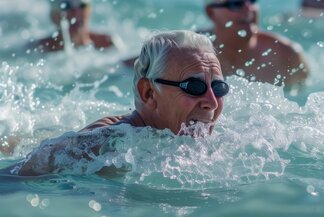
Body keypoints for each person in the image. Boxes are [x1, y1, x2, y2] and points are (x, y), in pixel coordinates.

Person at [15, 30, 229, 175]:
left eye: (218, 88)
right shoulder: (103, 146)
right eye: (194, 87)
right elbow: (19, 175)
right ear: (148, 93)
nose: (211, 102)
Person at [203, 0, 309, 91]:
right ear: (211, 13)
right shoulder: (191, 53)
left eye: (252, 0)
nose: (249, 8)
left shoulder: (286, 55)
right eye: (236, 3)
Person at [28, 0, 116, 53]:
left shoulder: (108, 43)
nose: (76, 12)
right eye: (66, 5)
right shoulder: (38, 48)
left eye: (82, 5)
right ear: (53, 15)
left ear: (90, 10)